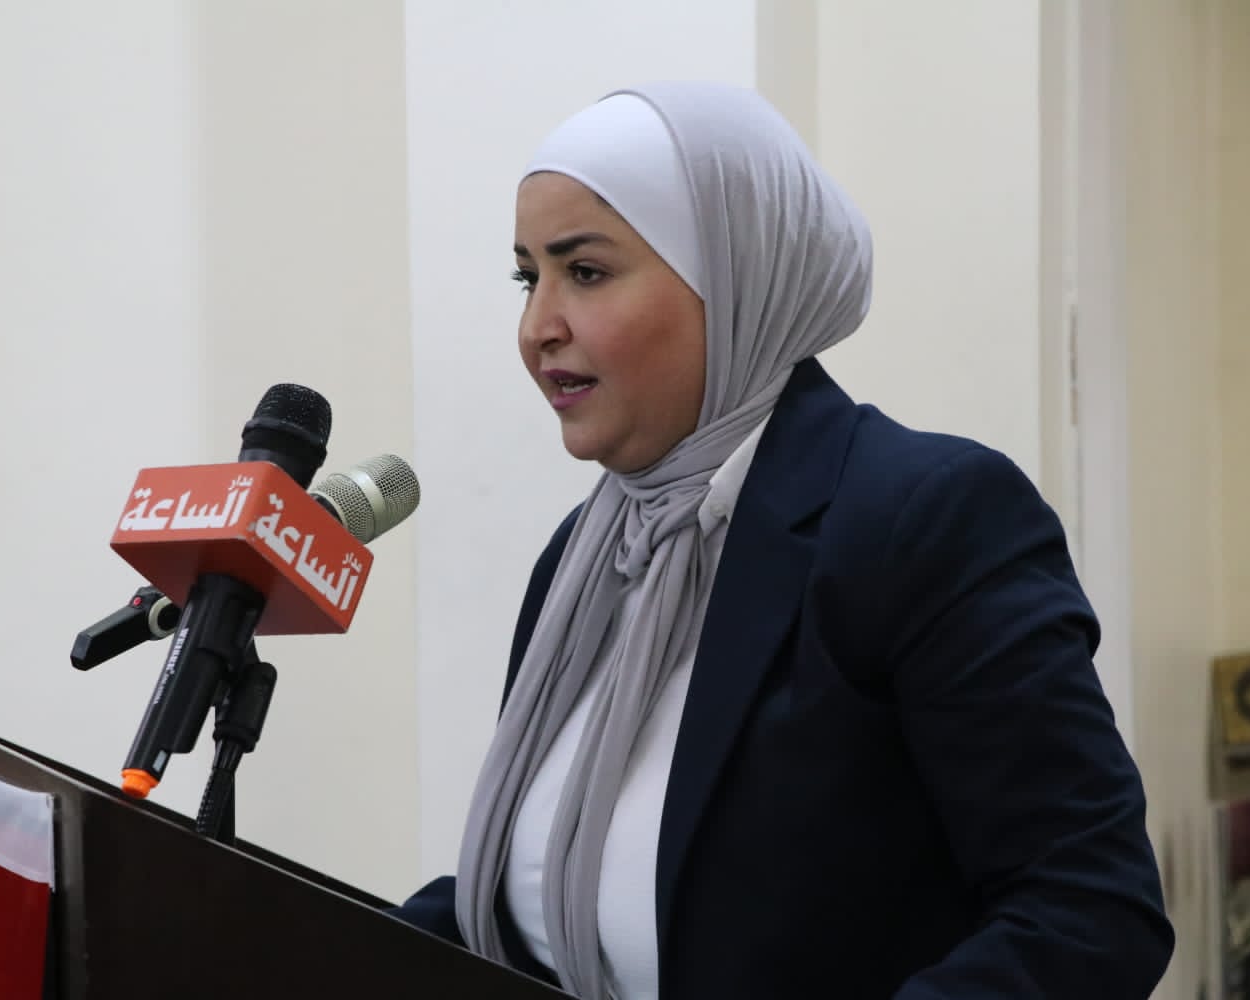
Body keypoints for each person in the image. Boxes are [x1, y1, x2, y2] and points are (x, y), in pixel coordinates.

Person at [390, 80, 1173, 999]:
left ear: (733, 277)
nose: (537, 329)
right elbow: (535, 905)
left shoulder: (920, 520)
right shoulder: (585, 560)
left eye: (586, 272)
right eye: (529, 278)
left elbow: (1090, 912)